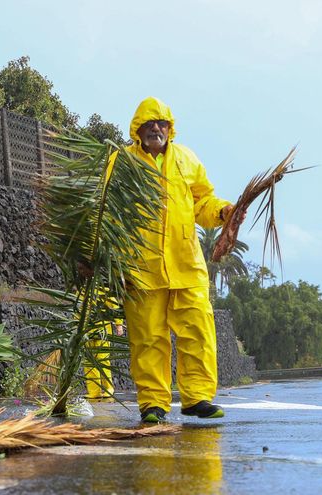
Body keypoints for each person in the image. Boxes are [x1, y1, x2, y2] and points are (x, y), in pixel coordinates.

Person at [120, 97, 234, 423]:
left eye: (162, 123)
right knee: (148, 338)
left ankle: (197, 397)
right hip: (141, 268)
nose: (155, 128)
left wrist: (223, 211)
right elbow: (108, 211)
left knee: (198, 330)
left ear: (171, 128)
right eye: (149, 123)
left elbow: (203, 202)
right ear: (137, 129)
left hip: (186, 263)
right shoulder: (122, 162)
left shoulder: (187, 159)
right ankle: (153, 403)